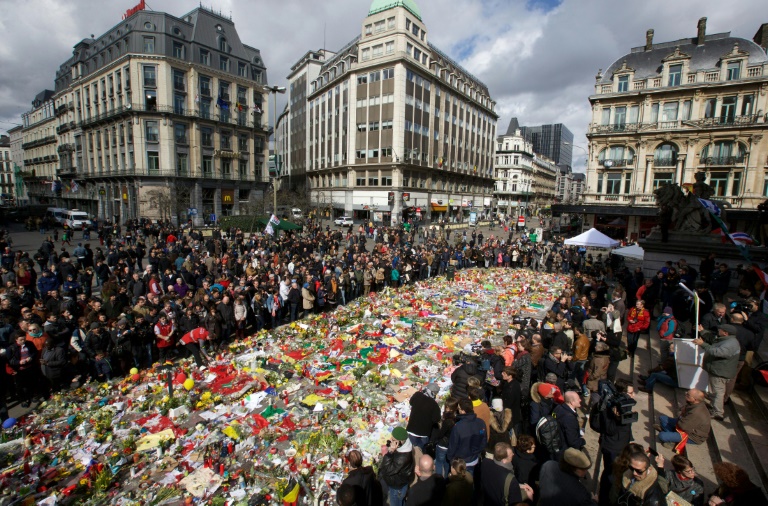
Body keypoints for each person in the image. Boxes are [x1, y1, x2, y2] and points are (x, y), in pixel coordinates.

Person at [693, 324, 740, 421]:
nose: (718, 331)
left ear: (725, 333)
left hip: (720, 372)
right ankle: (713, 407)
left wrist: (703, 344)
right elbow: (713, 340)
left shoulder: (730, 344)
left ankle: (718, 412)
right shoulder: (726, 340)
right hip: (718, 370)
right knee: (714, 391)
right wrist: (703, 331)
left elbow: (718, 352)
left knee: (717, 392)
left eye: (720, 330)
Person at [481, 442, 533, 506]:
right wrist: (529, 498)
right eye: (511, 455)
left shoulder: (485, 462)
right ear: (504, 460)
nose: (513, 454)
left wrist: (518, 485)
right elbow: (515, 503)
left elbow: (495, 482)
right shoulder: (510, 479)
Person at [446, 398, 487, 476]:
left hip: (461, 463)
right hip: (473, 459)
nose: (458, 410)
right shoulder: (481, 423)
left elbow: (452, 446)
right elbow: (483, 442)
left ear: (463, 411)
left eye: (459, 409)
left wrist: (451, 459)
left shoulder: (458, 427)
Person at [379, 426, 415, 506]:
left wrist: (390, 452)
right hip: (401, 482)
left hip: (397, 487)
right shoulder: (406, 445)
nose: (391, 441)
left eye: (393, 440)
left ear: (401, 442)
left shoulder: (402, 457)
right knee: (401, 502)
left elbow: (386, 469)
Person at [406, 383, 442, 451]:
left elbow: (411, 402)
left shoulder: (417, 395)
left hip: (411, 430)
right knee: (421, 452)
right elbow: (436, 419)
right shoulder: (434, 405)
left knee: (411, 451)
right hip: (424, 433)